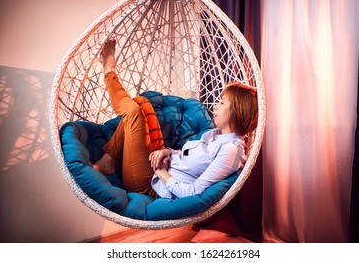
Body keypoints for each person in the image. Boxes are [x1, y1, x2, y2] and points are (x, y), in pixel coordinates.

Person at [93, 39, 258, 199]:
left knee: (134, 112)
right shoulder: (216, 135)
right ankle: (109, 158)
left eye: (222, 103)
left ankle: (109, 72)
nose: (215, 106)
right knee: (141, 102)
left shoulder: (230, 150)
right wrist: (167, 152)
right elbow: (187, 159)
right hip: (158, 162)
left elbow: (194, 192)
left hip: (152, 185)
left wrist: (161, 173)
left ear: (237, 112)